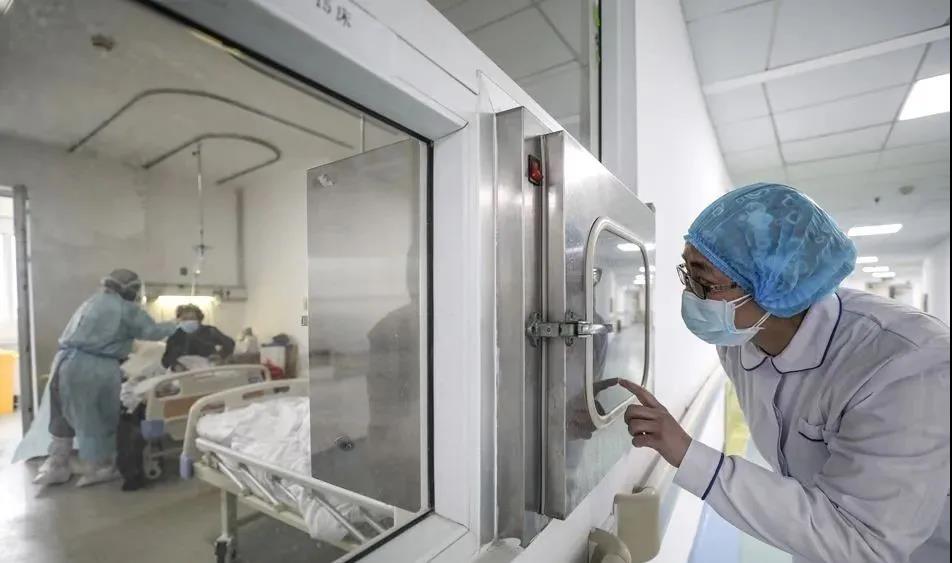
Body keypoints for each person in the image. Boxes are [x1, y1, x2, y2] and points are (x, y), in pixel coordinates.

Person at [621, 183, 949, 563]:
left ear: (772, 281)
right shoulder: (738, 338)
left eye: (704, 281)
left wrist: (689, 455)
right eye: (687, 274)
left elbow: (862, 540)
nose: (691, 295)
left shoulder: (906, 364)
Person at [34, 269, 177, 487]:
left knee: (61, 412)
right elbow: (152, 331)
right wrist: (177, 325)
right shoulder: (125, 309)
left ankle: (57, 464)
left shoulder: (91, 303)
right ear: (129, 289)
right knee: (97, 416)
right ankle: (100, 466)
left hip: (63, 364)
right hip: (93, 369)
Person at [161, 304, 234, 370]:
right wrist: (175, 365)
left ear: (199, 320)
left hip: (208, 368)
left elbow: (229, 343)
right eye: (185, 319)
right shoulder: (175, 336)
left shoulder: (210, 331)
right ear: (179, 320)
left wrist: (220, 356)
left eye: (192, 318)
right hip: (184, 371)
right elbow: (166, 359)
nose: (188, 321)